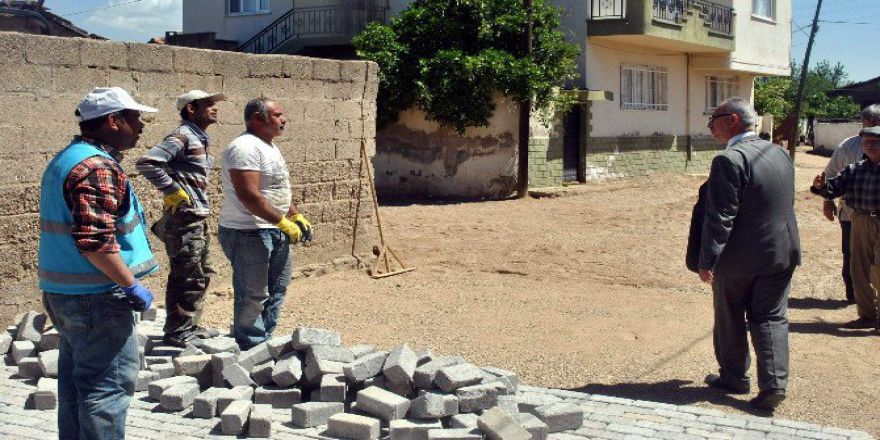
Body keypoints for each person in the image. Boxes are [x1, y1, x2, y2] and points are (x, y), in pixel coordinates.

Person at [38, 87, 159, 439]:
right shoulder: (96, 167)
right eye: (135, 118)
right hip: (96, 298)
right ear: (113, 121)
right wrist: (130, 284)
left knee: (77, 389)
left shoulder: (68, 158)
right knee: (105, 391)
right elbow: (95, 243)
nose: (141, 126)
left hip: (65, 293)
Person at [697, 97, 801, 411]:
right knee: (771, 318)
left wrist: (707, 259)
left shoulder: (729, 159)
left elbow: (721, 216)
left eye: (713, 119)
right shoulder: (778, 153)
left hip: (740, 258)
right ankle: (773, 386)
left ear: (732, 121)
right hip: (781, 251)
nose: (710, 126)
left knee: (729, 317)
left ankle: (733, 377)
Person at [217, 97, 313, 349]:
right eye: (278, 115)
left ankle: (264, 337)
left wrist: (295, 215)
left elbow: (275, 190)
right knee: (253, 293)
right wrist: (283, 222)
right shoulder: (244, 147)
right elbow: (249, 195)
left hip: (273, 227)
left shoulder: (268, 146)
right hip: (248, 232)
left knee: (278, 287)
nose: (284, 119)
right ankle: (250, 344)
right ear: (258, 118)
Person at [135, 90, 226, 347]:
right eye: (207, 104)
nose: (214, 108)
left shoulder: (199, 137)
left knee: (202, 271)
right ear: (190, 109)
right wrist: (173, 190)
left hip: (196, 216)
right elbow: (147, 162)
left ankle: (189, 325)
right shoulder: (182, 136)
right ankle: (178, 332)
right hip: (185, 217)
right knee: (187, 273)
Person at [812, 126, 880, 331]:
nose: (870, 145)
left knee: (879, 270)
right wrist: (821, 187)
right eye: (867, 142)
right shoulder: (855, 169)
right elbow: (833, 189)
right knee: (858, 269)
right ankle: (867, 316)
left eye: (875, 141)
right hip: (860, 220)